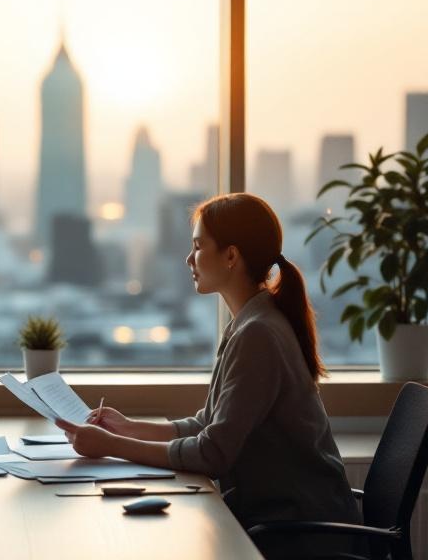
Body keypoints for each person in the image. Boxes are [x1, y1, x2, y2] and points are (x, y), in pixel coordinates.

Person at [56, 193, 362, 557]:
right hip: (277, 519)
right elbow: (208, 425)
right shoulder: (251, 322)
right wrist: (126, 427)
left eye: (199, 247)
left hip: (300, 534)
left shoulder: (259, 333)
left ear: (231, 256)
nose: (189, 259)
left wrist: (111, 446)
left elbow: (212, 453)